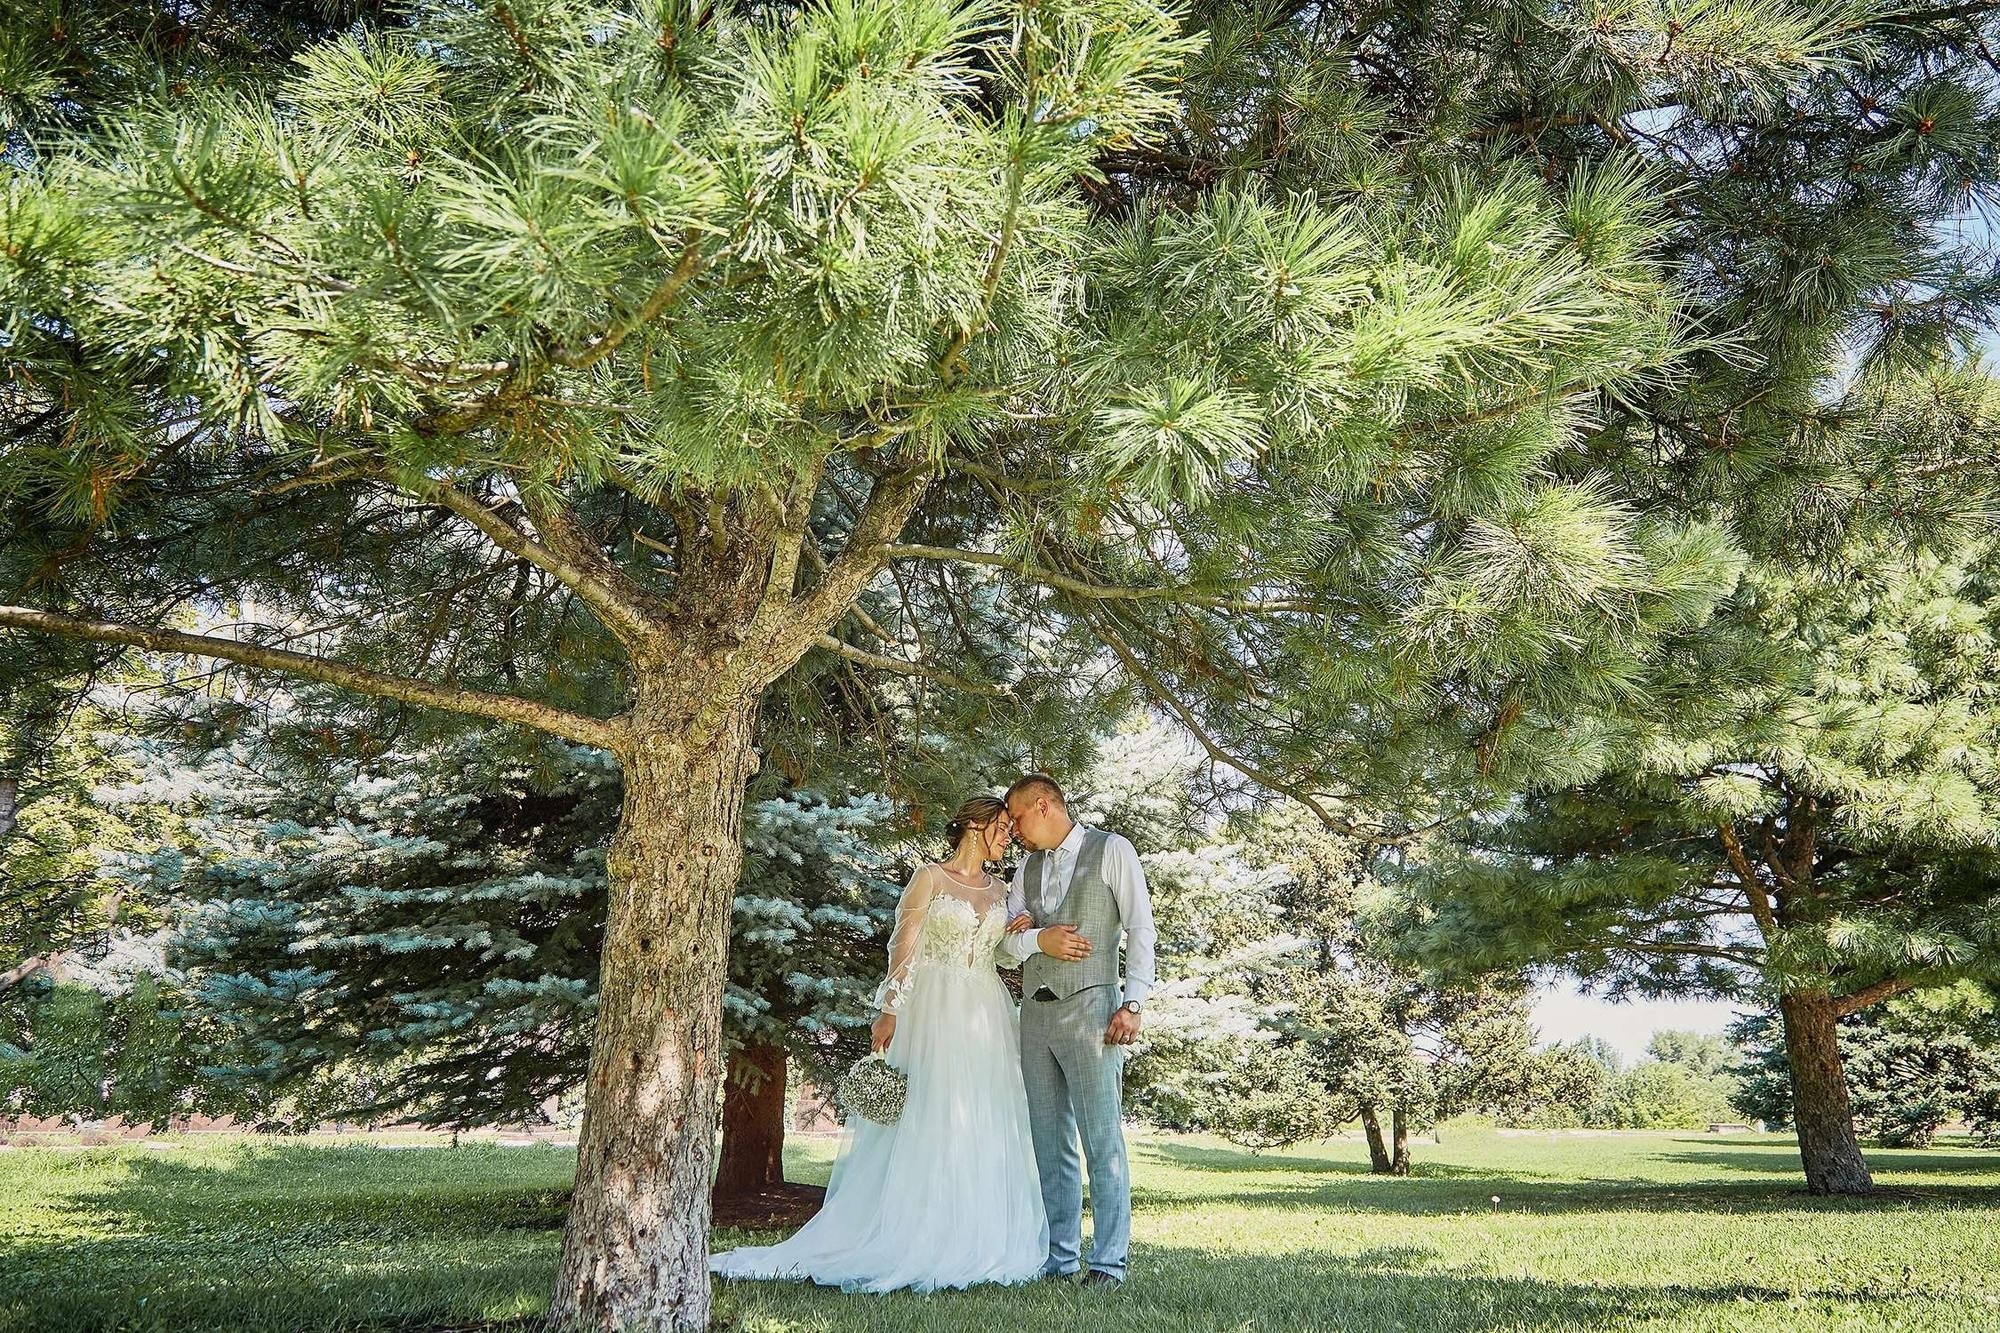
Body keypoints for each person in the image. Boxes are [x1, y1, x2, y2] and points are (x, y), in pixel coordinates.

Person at [708, 796, 1048, 1292]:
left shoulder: (1001, 889)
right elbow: (903, 945)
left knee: (983, 1112)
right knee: (926, 1111)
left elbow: (1004, 956)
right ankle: (913, 1229)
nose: (1008, 836)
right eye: (1000, 826)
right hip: (932, 1008)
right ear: (974, 826)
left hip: (985, 1009)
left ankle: (974, 1231)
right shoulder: (930, 878)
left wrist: (1021, 930)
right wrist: (890, 1008)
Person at [998, 772, 1157, 1288]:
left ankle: (1108, 1263)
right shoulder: (1024, 869)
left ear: (1043, 805)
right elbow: (1003, 946)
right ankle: (1059, 1259)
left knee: (1101, 1137)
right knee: (1050, 1141)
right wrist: (1039, 939)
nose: (1014, 830)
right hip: (1035, 1015)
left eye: (1018, 817)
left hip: (1094, 1010)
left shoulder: (1112, 851)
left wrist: (1132, 1003)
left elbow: (1140, 928)